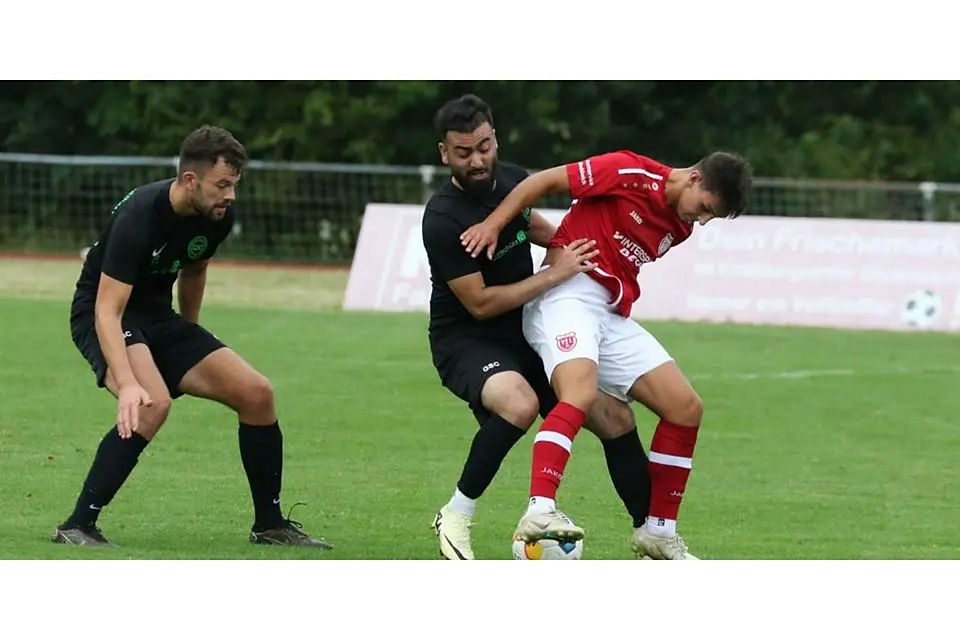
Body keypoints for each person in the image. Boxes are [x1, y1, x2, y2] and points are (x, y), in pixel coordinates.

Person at [461, 148, 753, 559]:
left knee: (686, 408)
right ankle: (539, 510)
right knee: (577, 394)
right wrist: (494, 225)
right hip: (565, 294)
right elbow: (540, 182)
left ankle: (658, 532)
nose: (701, 221)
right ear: (693, 179)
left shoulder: (680, 225)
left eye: (711, 218)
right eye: (704, 208)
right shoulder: (626, 169)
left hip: (608, 310)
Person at [53, 125, 331, 549]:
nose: (230, 195)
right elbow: (107, 309)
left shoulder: (217, 216)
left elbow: (195, 268)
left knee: (257, 393)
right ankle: (77, 525)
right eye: (222, 184)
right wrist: (127, 383)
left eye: (234, 184)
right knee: (152, 402)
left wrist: (190, 334)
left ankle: (270, 525)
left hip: (158, 317)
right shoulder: (139, 217)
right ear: (189, 180)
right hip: (106, 312)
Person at [423, 95, 656, 560]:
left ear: (495, 139)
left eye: (484, 146)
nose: (478, 160)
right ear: (444, 154)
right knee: (520, 402)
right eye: (464, 152)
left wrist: (586, 250)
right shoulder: (443, 218)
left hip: (524, 330)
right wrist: (556, 273)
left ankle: (653, 535)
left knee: (615, 417)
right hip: (466, 339)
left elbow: (540, 230)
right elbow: (482, 305)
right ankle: (455, 514)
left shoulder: (510, 181)